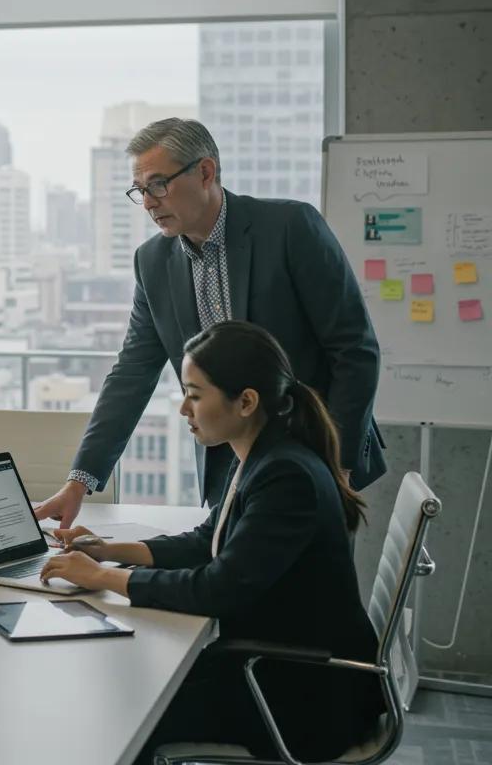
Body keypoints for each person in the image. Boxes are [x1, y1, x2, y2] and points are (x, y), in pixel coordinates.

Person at [39, 321, 383, 763]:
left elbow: (216, 589)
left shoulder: (285, 476)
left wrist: (103, 578)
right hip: (279, 669)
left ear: (245, 402)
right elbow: (209, 541)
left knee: (123, 712)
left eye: (196, 395)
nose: (184, 408)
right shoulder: (262, 455)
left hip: (302, 697)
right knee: (128, 688)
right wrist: (109, 551)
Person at [32, 117, 384, 529]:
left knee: (306, 593)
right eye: (140, 191)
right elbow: (132, 373)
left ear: (205, 172)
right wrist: (80, 481)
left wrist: (336, 465)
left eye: (159, 184)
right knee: (231, 584)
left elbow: (355, 351)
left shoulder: (290, 229)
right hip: (226, 469)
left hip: (313, 459)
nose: (148, 202)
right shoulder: (153, 262)